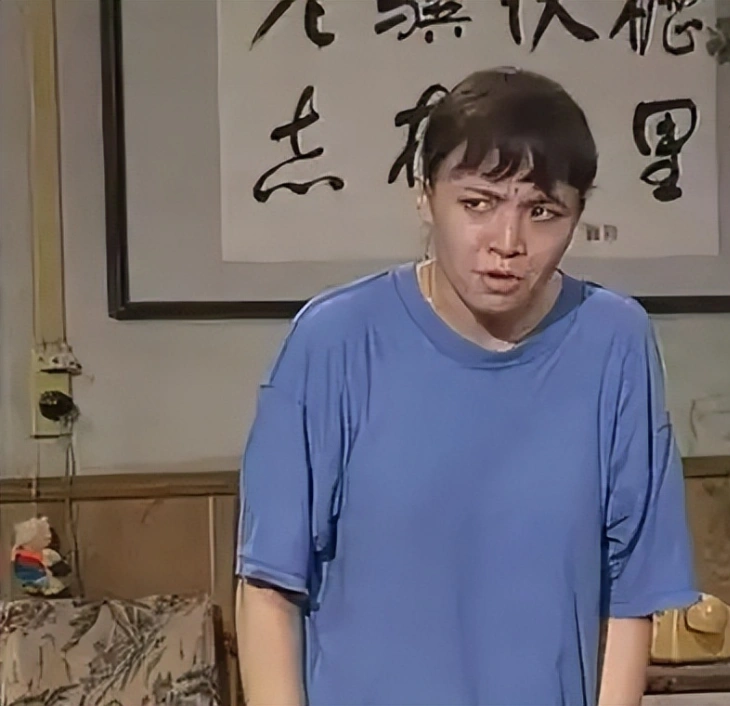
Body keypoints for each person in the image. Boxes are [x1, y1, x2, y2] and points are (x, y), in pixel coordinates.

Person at [234, 66, 699, 706]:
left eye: (542, 212)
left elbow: (633, 593)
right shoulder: (336, 340)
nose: (507, 243)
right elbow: (269, 586)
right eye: (477, 204)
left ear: (578, 215)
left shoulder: (614, 342)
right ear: (424, 195)